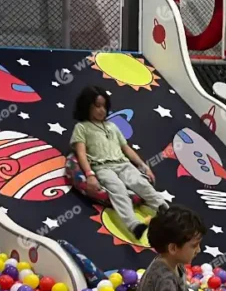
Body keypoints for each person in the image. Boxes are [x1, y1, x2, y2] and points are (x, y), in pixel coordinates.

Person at [71, 85, 169, 239]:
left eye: (104, 106)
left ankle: (163, 208)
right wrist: (90, 175)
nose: (101, 110)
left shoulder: (112, 126)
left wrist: (143, 166)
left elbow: (127, 149)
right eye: (97, 106)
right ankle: (133, 224)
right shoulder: (82, 127)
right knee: (118, 190)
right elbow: (81, 153)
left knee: (141, 183)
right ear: (86, 106)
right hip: (103, 167)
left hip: (124, 164)